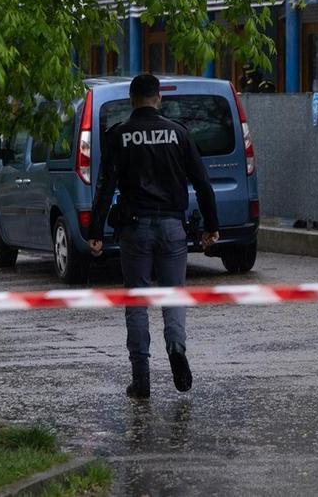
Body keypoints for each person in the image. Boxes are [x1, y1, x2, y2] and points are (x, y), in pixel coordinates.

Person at [88, 73, 220, 400]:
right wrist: (211, 226)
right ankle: (176, 347)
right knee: (173, 295)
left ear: (132, 100)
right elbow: (203, 183)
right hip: (174, 228)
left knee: (136, 301)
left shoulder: (118, 135)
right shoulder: (179, 134)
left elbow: (105, 186)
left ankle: (141, 377)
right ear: (158, 98)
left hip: (135, 229)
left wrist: (96, 231)